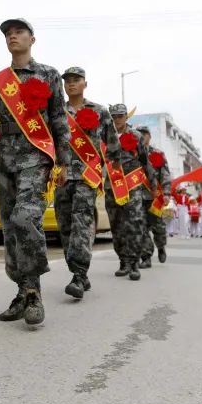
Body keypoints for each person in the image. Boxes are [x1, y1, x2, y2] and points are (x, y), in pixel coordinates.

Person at [0, 18, 72, 325]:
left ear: (32, 39)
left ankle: (33, 294)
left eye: (19, 32)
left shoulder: (49, 75)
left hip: (36, 157)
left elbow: (58, 120)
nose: (13, 37)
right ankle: (24, 289)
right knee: (9, 227)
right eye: (8, 34)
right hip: (4, 159)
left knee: (25, 218)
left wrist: (64, 161)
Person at [55, 66, 118, 299]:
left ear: (85, 84)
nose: (71, 84)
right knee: (66, 228)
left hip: (86, 177)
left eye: (76, 80)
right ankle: (78, 271)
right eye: (67, 80)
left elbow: (112, 146)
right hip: (61, 177)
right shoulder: (57, 111)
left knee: (82, 223)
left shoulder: (100, 111)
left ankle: (79, 276)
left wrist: (105, 169)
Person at [105, 104, 152, 280]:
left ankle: (134, 263)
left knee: (135, 223)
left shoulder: (136, 136)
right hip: (112, 186)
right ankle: (123, 261)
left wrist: (153, 185)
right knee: (116, 225)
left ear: (126, 117)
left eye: (120, 116)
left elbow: (144, 160)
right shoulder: (104, 135)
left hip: (132, 186)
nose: (117, 119)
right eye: (114, 116)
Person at [140, 130, 172, 266]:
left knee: (158, 226)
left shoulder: (157, 153)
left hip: (155, 196)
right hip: (138, 196)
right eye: (139, 134)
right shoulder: (132, 153)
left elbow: (164, 174)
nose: (141, 137)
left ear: (149, 136)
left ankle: (161, 246)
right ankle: (146, 257)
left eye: (144, 134)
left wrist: (166, 192)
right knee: (141, 226)